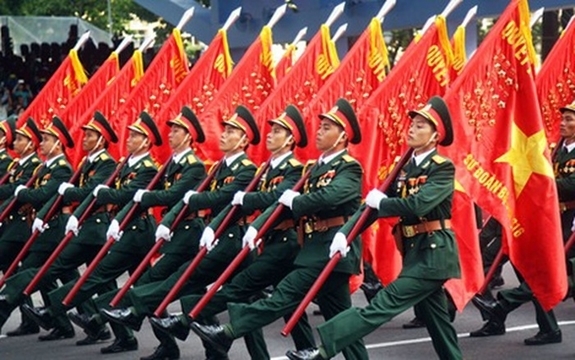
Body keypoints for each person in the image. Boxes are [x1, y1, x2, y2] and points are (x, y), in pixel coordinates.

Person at [283, 96, 463, 360]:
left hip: (434, 254)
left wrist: (385, 202)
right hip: (416, 253)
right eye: (412, 124)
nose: (412, 129)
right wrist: (346, 233)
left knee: (381, 304)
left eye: (421, 125)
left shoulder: (442, 167)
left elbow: (419, 205)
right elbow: (370, 208)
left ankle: (321, 351)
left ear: (436, 136)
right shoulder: (404, 168)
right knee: (439, 327)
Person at [190, 98, 369, 360]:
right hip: (315, 248)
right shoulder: (314, 169)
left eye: (327, 128)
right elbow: (279, 206)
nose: (319, 131)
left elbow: (330, 196)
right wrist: (257, 226)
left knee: (284, 295)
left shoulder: (349, 167)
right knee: (343, 322)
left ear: (343, 136)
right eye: (320, 126)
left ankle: (227, 331)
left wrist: (297, 201)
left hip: (332, 249)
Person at [149, 105, 316, 359]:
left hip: (284, 241)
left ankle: (189, 320)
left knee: (249, 292)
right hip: (265, 240)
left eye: (278, 131)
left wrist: (247, 204)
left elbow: (276, 198)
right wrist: (219, 225)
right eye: (271, 130)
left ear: (291, 139)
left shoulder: (293, 168)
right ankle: (298, 349)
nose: (270, 135)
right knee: (281, 303)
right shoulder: (265, 169)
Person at [98, 105, 259, 360]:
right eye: (225, 130)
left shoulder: (246, 169)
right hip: (213, 237)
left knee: (239, 304)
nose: (224, 135)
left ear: (243, 139)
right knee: (200, 292)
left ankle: (131, 308)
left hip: (231, 240)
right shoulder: (219, 167)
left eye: (231, 131)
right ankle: (211, 349)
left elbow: (217, 198)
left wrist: (193, 200)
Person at [67, 106, 216, 359]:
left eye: (177, 131)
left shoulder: (194, 166)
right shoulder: (170, 163)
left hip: (187, 234)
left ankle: (104, 314)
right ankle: (178, 344)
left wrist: (146, 197)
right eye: (171, 130)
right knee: (167, 289)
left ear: (189, 136)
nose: (171, 135)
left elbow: (170, 196)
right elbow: (138, 198)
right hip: (170, 234)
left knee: (179, 290)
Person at [23, 111, 161, 353]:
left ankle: (75, 314)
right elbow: (97, 194)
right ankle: (109, 327)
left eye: (135, 136)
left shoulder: (135, 166)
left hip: (135, 231)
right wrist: (78, 214)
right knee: (120, 283)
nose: (128, 139)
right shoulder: (116, 165)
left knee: (138, 288)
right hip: (118, 227)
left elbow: (117, 194)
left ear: (146, 142)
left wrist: (97, 195)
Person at [0, 111, 118, 345]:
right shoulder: (79, 164)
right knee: (70, 277)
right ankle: (84, 323)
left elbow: (65, 194)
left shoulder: (96, 164)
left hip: (85, 227)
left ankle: (103, 324)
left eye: (90, 136)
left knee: (88, 278)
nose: (84, 139)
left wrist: (25, 193)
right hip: (65, 226)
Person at [469, 101, 575, 345]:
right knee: (530, 267)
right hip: (547, 219)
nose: (564, 124)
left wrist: (539, 185)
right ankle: (547, 329)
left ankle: (503, 305)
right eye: (564, 119)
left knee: (545, 272)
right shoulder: (556, 149)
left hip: (569, 224)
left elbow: (569, 185)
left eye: (570, 120)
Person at [0, 116, 75, 340]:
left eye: (45, 140)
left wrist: (20, 192)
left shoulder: (59, 168)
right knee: (46, 277)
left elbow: (40, 195)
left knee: (32, 274)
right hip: (38, 227)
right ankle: (62, 321)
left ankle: (88, 319)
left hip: (45, 228)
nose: (42, 144)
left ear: (57, 143)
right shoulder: (41, 167)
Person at [0, 118, 42, 336]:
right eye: (15, 139)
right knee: (17, 273)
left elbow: (13, 191)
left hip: (21, 225)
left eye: (20, 139)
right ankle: (31, 318)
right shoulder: (17, 165)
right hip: (10, 224)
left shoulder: (34, 166)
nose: (15, 143)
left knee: (26, 273)